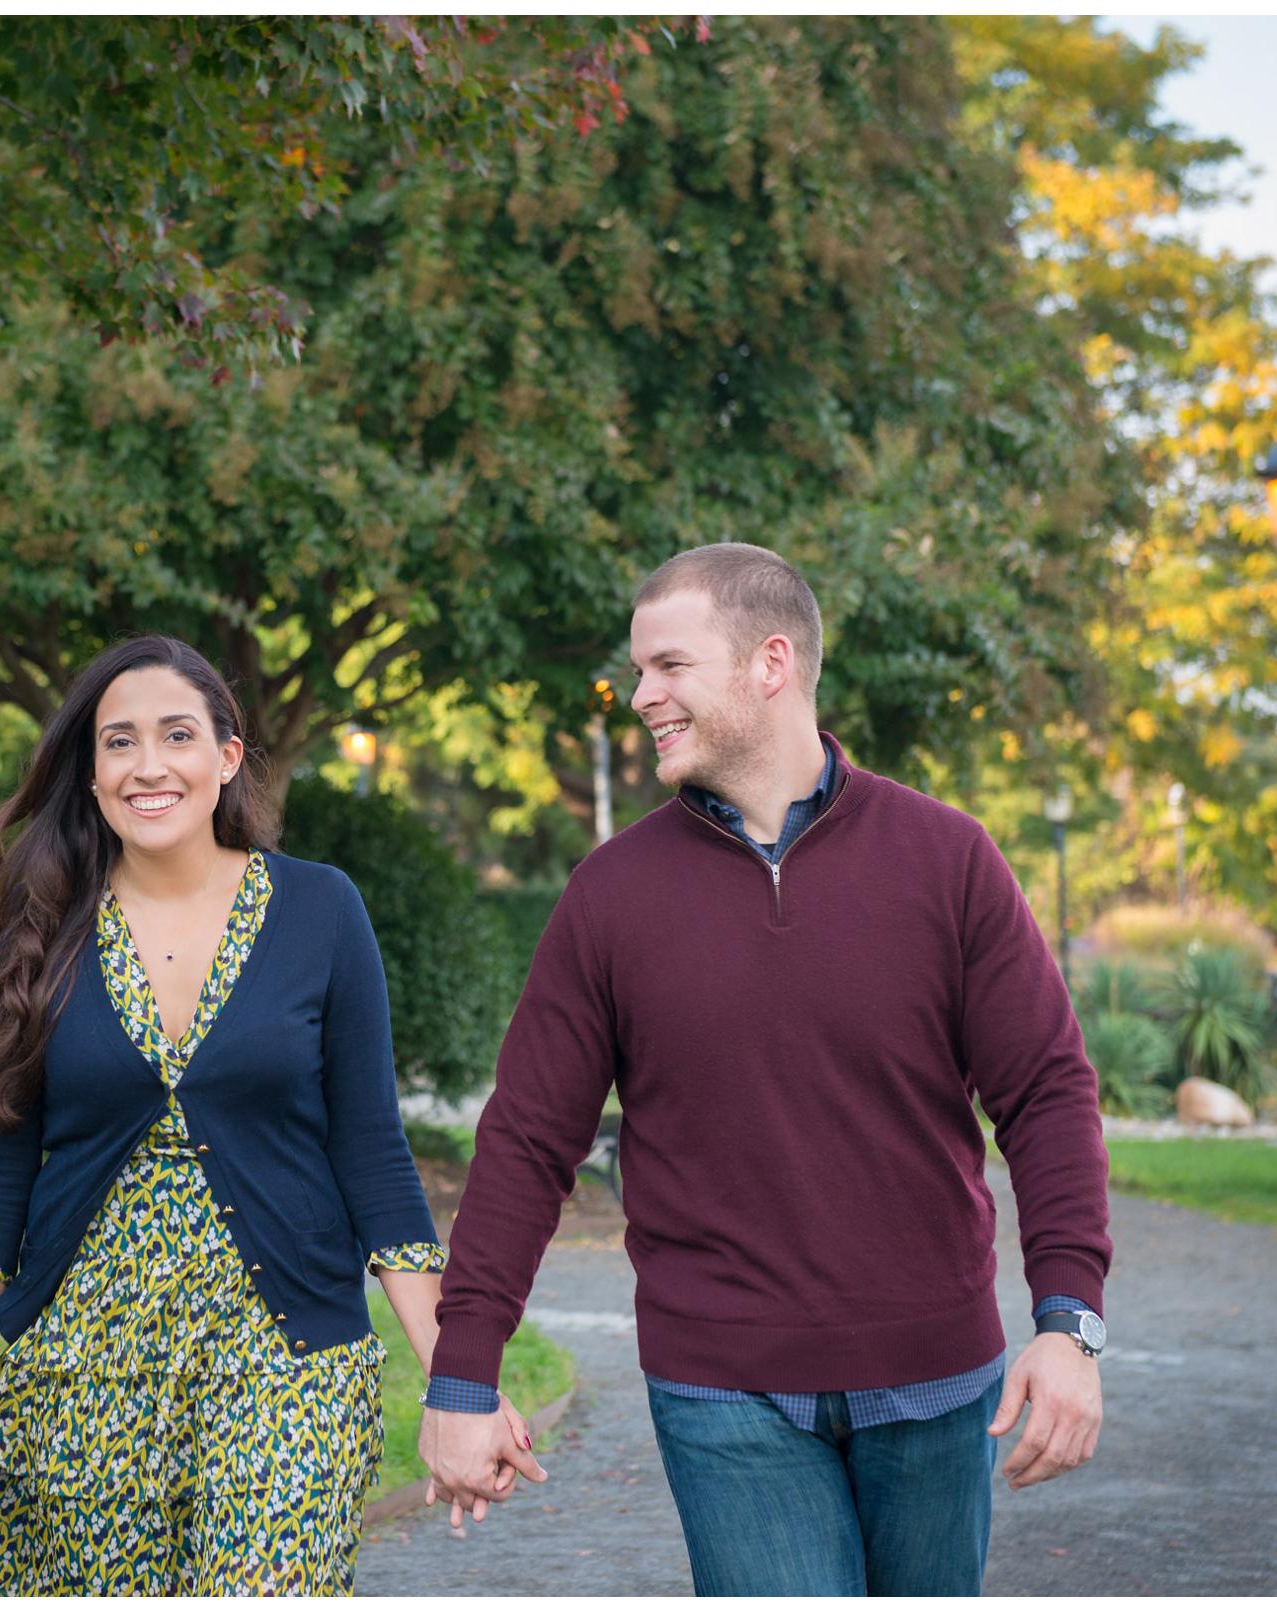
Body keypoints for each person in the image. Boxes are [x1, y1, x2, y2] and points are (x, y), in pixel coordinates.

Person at [419, 544, 1112, 1596]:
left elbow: (1049, 1093)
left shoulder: (948, 858)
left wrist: (1069, 1322)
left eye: (669, 667)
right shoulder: (610, 896)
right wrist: (463, 1371)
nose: (640, 694)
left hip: (937, 1376)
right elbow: (526, 1142)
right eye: (639, 670)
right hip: (723, 1389)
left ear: (770, 662)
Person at [0, 634, 530, 1595]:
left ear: (227, 759)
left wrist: (456, 1381)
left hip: (289, 1358)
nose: (148, 765)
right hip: (82, 1363)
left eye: (176, 736)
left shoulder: (320, 911)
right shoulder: (34, 930)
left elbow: (371, 1152)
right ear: (90, 773)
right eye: (118, 743)